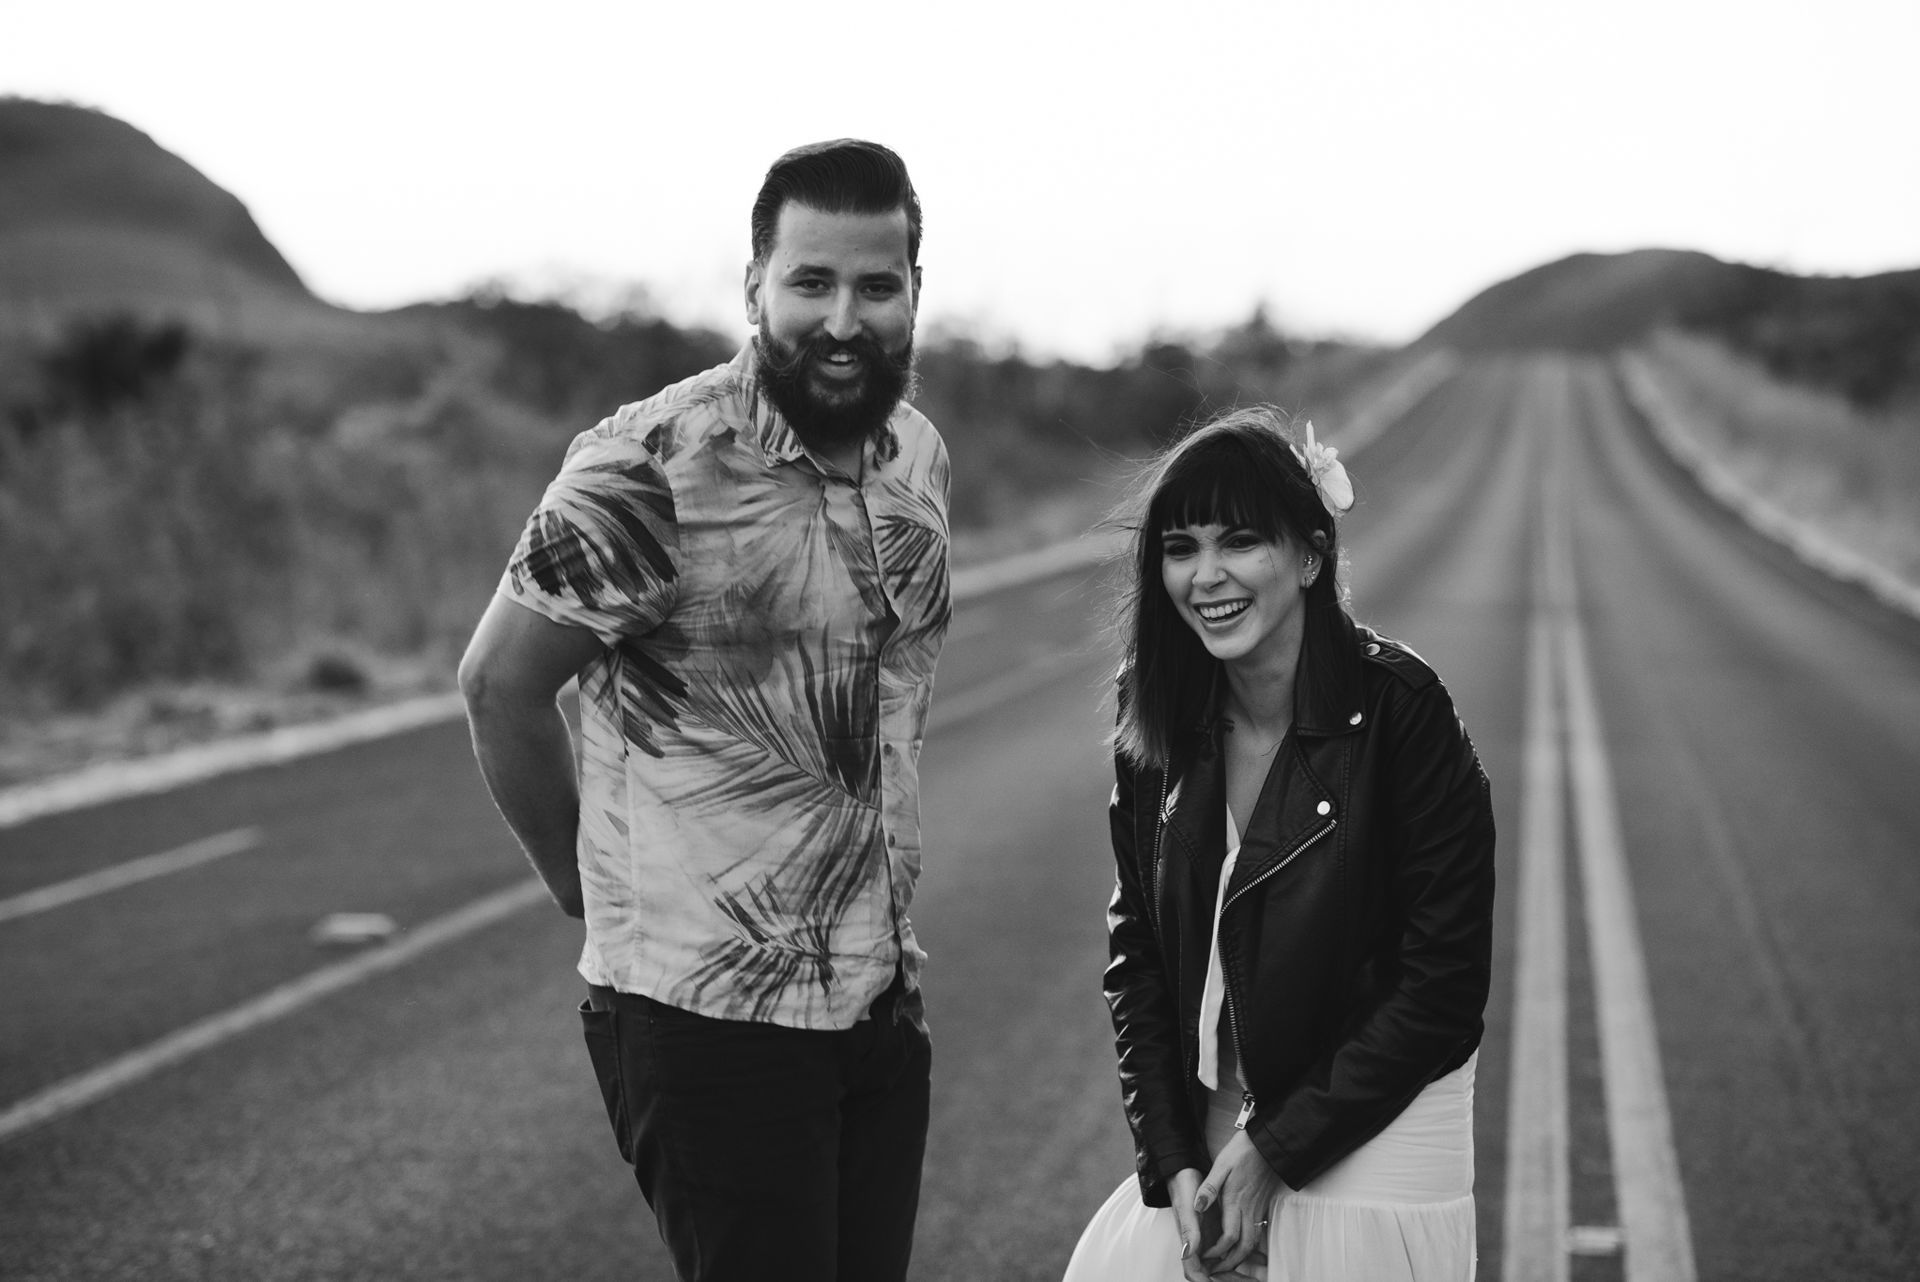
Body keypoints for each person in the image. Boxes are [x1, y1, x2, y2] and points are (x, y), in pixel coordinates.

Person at [457, 139, 949, 1282]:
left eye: (876, 285)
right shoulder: (650, 465)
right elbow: (500, 684)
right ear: (755, 287)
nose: (844, 319)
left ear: (914, 292)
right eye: (811, 281)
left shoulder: (915, 457)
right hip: (707, 1020)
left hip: (878, 1002)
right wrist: (588, 888)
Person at [1064, 407, 1495, 1282]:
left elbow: (1442, 985)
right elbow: (1137, 950)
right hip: (1221, 1119)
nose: (1206, 576)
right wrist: (1171, 1159)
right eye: (1181, 549)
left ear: (1309, 555)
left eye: (1240, 541)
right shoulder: (1157, 707)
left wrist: (1275, 1150)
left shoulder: (1404, 713)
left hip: (1380, 1118)